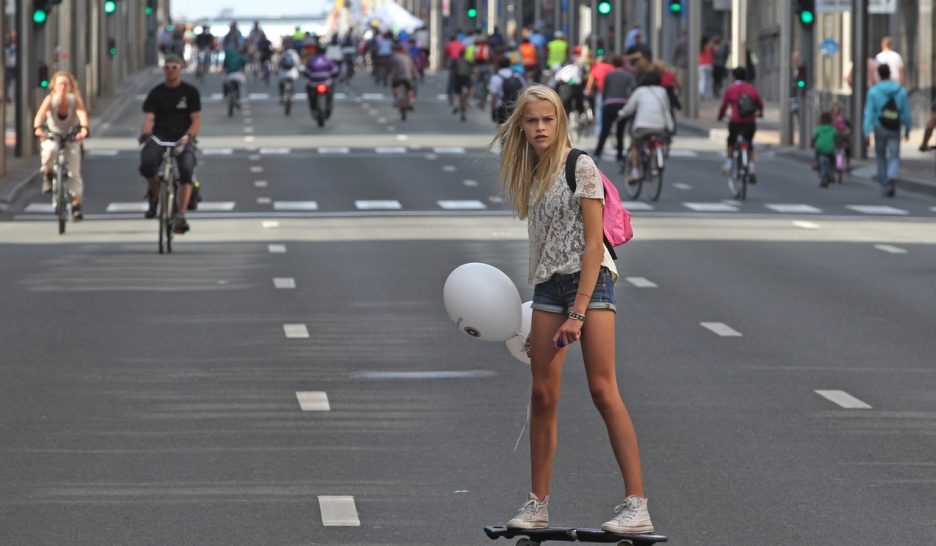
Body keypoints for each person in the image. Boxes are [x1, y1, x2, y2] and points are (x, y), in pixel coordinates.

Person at [487, 83, 654, 535]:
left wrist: (578, 312)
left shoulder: (581, 166)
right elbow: (542, 244)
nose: (539, 127)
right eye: (531, 120)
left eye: (547, 119)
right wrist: (535, 314)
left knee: (603, 390)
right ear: (520, 126)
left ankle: (637, 505)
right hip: (546, 289)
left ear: (560, 120)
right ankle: (537, 505)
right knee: (542, 395)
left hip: (588, 284)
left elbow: (593, 242)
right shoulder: (533, 171)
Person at [138, 54, 200, 233]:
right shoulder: (156, 93)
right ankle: (155, 196)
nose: (171, 70)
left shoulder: (190, 92)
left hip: (182, 138)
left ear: (181, 69)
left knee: (187, 169)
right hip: (160, 137)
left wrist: (189, 136)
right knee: (147, 163)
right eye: (168, 67)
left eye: (174, 67)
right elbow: (149, 117)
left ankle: (181, 215)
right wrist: (146, 134)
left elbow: (196, 119)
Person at [33, 71, 89, 221]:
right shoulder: (50, 100)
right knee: (49, 149)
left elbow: (82, 114)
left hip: (71, 136)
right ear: (54, 86)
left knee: (74, 172)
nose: (63, 87)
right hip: (54, 134)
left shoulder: (75, 99)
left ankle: (76, 205)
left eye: (66, 84)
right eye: (60, 84)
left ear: (71, 86)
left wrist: (84, 129)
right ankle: (48, 172)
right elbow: (39, 116)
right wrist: (38, 128)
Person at [617, 70, 674, 182]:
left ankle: (635, 172)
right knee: (658, 140)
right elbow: (667, 109)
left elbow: (629, 108)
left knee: (635, 145)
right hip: (660, 126)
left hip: (642, 126)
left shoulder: (639, 91)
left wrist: (620, 114)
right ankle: (656, 156)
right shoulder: (662, 91)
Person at [863, 64, 911, 197]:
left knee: (880, 156)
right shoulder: (900, 91)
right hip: (895, 126)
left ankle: (884, 183)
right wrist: (907, 129)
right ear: (890, 73)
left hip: (880, 126)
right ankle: (892, 176)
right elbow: (906, 113)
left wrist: (867, 132)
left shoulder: (873, 91)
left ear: (879, 74)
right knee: (894, 155)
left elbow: (869, 113)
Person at [717, 67, 764, 183]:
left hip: (735, 122)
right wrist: (760, 113)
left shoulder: (730, 90)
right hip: (749, 123)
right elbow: (760, 104)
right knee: (749, 144)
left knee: (731, 141)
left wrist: (720, 116)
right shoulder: (751, 89)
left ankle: (728, 163)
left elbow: (724, 106)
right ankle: (752, 168)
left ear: (733, 77)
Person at [593, 56, 636, 163]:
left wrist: (604, 102)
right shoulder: (628, 76)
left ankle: (598, 152)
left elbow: (604, 90)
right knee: (620, 131)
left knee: (605, 130)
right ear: (623, 64)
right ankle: (620, 155)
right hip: (622, 103)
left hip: (609, 103)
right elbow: (633, 89)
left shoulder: (609, 75)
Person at [304, 44, 340, 117]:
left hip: (313, 83)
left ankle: (313, 106)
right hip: (326, 83)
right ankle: (329, 104)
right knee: (331, 91)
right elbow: (335, 72)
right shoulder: (329, 60)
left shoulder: (311, 60)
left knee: (309, 92)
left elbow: (306, 73)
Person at [489, 57, 526, 125]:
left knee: (502, 129)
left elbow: (493, 96)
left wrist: (493, 111)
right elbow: (524, 90)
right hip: (516, 107)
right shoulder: (517, 75)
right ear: (509, 65)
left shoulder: (496, 77)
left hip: (502, 107)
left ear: (498, 65)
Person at [811, 112, 839, 186]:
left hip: (820, 148)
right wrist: (838, 145)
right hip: (830, 149)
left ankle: (816, 163)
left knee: (817, 155)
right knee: (832, 162)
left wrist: (812, 144)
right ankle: (832, 174)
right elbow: (837, 138)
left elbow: (814, 138)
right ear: (830, 120)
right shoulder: (833, 129)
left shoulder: (818, 128)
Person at [449, 48, 473, 120]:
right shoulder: (468, 61)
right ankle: (469, 101)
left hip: (458, 79)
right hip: (466, 79)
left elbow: (452, 71)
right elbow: (472, 70)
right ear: (465, 54)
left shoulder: (455, 61)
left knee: (456, 93)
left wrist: (452, 78)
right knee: (470, 88)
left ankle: (456, 105)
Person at [697, 36, 715, 101]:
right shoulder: (709, 47)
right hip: (709, 64)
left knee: (702, 80)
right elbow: (714, 51)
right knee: (709, 80)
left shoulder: (699, 48)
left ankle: (701, 92)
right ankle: (708, 95)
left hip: (701, 64)